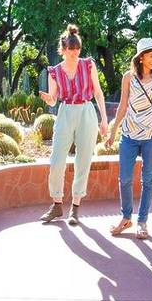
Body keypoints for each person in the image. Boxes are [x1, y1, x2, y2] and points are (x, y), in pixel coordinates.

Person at [37, 25, 110, 225]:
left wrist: (104, 119)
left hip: (86, 111)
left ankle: (75, 208)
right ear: (63, 49)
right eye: (71, 48)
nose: (75, 52)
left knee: (83, 160)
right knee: (56, 161)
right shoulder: (55, 72)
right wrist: (48, 99)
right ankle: (57, 204)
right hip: (66, 111)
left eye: (77, 48)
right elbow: (54, 100)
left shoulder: (88, 65)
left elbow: (98, 93)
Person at [107, 37, 152, 240]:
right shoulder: (128, 77)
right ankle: (126, 218)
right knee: (124, 178)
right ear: (141, 57)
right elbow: (123, 106)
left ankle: (142, 222)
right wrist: (113, 130)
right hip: (129, 135)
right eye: (150, 56)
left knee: (148, 179)